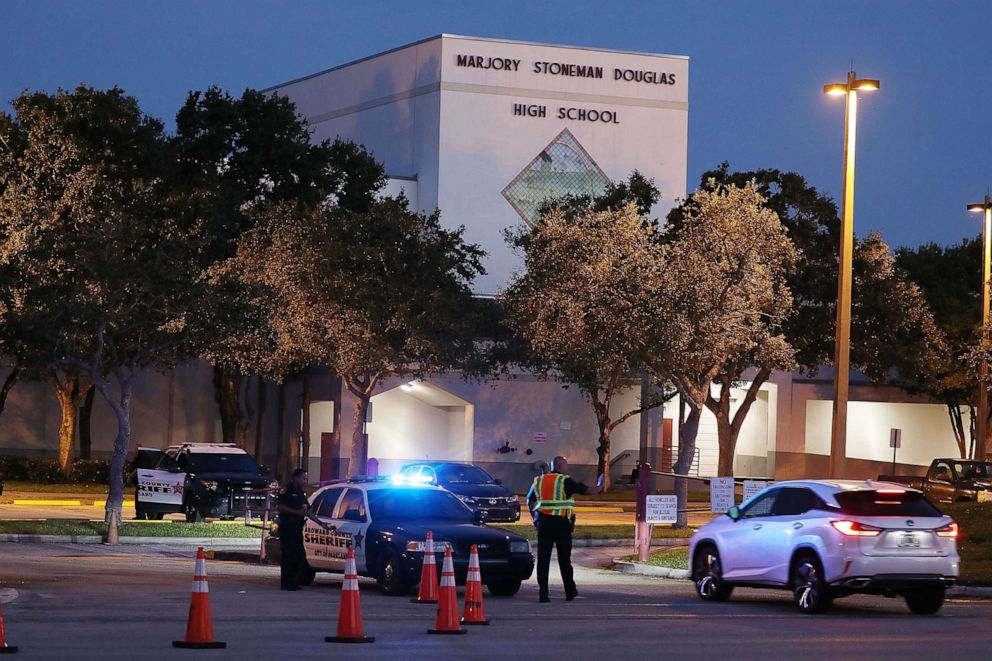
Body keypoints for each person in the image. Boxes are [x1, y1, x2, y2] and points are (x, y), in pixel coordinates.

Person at [526, 455, 604, 603]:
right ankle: (569, 591)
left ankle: (543, 594)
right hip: (561, 524)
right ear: (561, 466)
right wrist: (601, 484)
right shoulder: (565, 481)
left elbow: (530, 500)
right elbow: (589, 490)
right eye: (566, 465)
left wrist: (534, 518)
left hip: (543, 524)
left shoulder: (539, 481)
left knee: (543, 559)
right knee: (564, 559)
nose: (567, 468)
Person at [276, 468, 328, 591]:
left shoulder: (300, 492)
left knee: (298, 556)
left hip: (297, 528)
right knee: (289, 556)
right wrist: (297, 512)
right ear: (295, 478)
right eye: (303, 478)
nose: (305, 481)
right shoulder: (287, 490)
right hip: (287, 527)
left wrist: (320, 523)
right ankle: (287, 583)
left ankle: (293, 582)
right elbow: (281, 507)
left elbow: (307, 511)